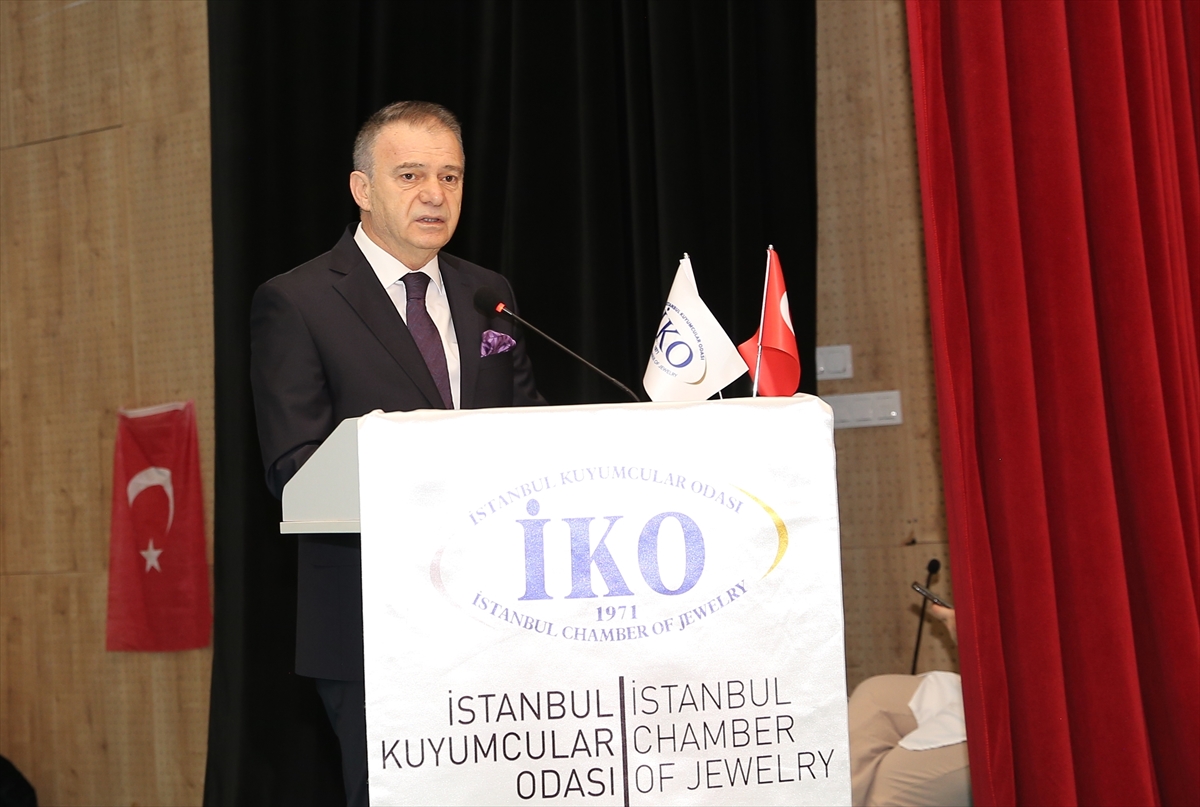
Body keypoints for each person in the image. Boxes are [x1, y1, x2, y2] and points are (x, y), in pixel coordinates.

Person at [250, 100, 543, 807]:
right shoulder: (297, 301)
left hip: (501, 612)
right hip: (372, 622)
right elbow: (295, 467)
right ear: (362, 188)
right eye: (410, 175)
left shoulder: (488, 295)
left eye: (451, 176)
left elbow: (530, 432)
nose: (435, 195)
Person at [848, 603, 971, 806]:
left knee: (888, 784)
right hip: (986, 690)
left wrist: (980, 638)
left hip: (1020, 722)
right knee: (873, 697)